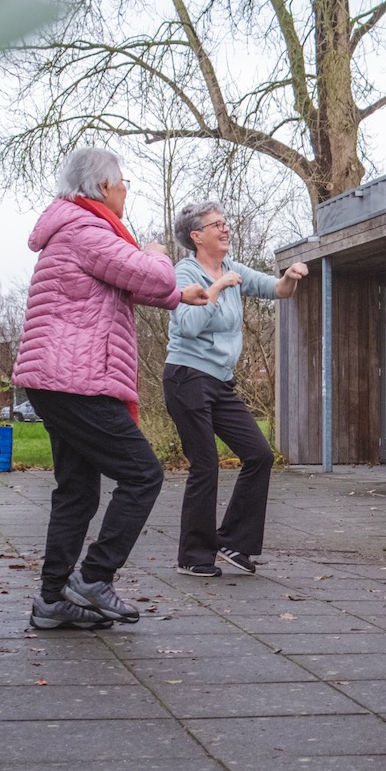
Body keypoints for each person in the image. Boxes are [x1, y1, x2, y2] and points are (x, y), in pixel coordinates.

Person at [13, 147, 210, 630]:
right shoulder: (87, 230)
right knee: (143, 474)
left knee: (77, 492)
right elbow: (149, 273)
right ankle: (94, 577)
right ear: (103, 186)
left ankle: (52, 600)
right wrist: (158, 254)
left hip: (57, 378)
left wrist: (176, 294)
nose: (126, 190)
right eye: (122, 182)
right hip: (74, 380)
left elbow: (128, 284)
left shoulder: (73, 230)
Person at [164, 202, 308, 577]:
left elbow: (278, 290)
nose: (226, 229)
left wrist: (290, 276)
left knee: (259, 454)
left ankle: (233, 541)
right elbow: (189, 325)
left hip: (219, 382)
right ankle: (193, 557)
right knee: (205, 464)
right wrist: (216, 289)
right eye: (217, 224)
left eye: (226, 223)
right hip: (186, 377)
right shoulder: (184, 273)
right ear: (197, 236)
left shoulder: (233, 269)